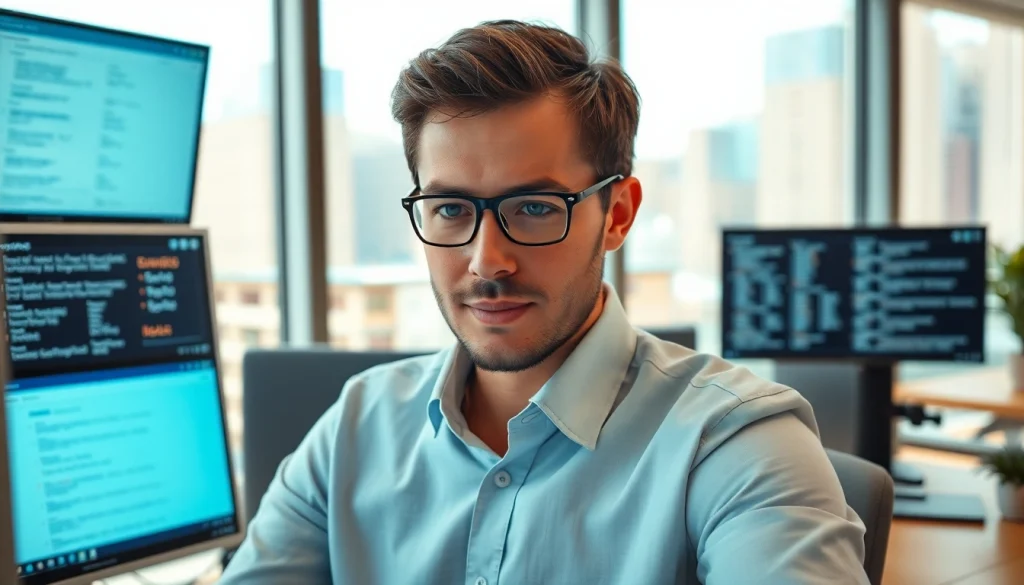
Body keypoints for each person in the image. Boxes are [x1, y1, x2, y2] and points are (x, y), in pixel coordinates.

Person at [219, 20, 869, 585]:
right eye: (449, 208)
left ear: (617, 213)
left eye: (534, 207)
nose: (486, 260)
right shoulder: (356, 426)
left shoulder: (734, 441)